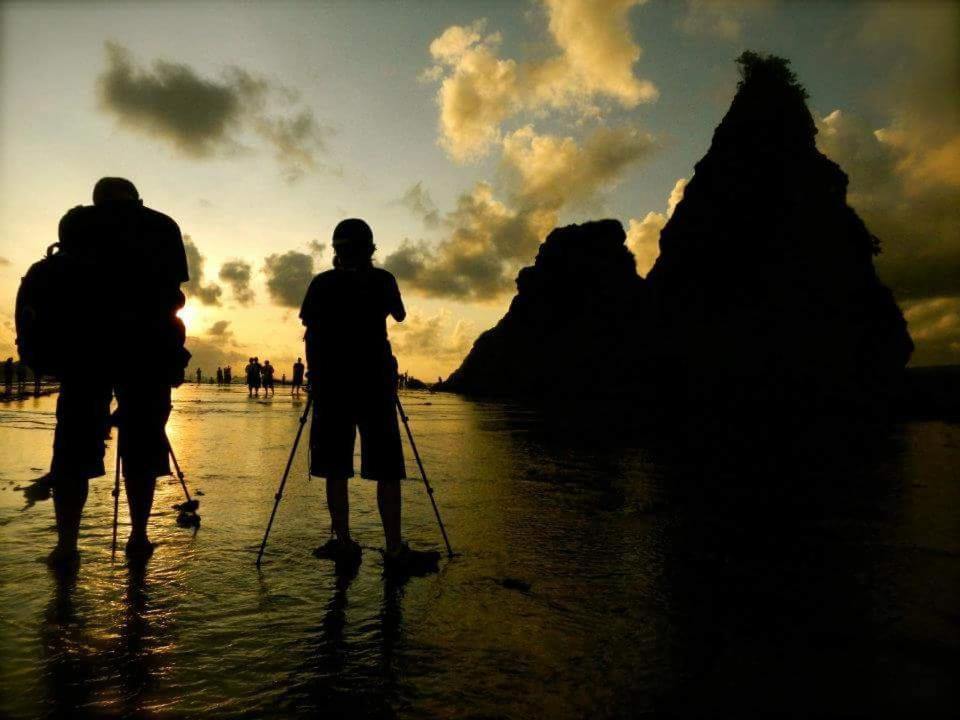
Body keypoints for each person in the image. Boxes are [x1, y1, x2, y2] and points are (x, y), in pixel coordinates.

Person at [47, 177, 189, 566]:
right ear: (138, 199)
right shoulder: (162, 225)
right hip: (146, 354)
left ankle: (66, 546)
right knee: (142, 449)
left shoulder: (77, 225)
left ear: (95, 201)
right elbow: (173, 297)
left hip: (85, 354)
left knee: (73, 450)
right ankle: (139, 538)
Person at [300, 218, 440, 575]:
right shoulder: (382, 280)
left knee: (334, 467)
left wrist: (314, 379)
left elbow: (311, 336)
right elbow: (401, 315)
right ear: (371, 249)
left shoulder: (321, 284)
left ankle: (344, 542)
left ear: (336, 250)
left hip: (332, 386)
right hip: (375, 383)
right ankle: (393, 547)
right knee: (387, 468)